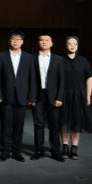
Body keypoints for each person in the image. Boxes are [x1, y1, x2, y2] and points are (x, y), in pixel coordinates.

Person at [0, 29, 36, 162]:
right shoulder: (1, 56)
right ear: (9, 41)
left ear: (22, 42)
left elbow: (32, 79)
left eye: (18, 39)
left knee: (19, 126)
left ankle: (17, 152)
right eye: (13, 39)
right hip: (5, 96)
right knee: (5, 126)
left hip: (22, 97)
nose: (15, 41)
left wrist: (31, 97)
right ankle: (5, 152)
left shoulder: (29, 57)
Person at [60, 36, 92, 160]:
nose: (72, 46)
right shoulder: (60, 60)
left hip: (79, 96)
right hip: (65, 95)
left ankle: (74, 149)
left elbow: (89, 78)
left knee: (77, 123)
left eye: (75, 44)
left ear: (77, 46)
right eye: (69, 44)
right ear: (65, 45)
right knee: (65, 123)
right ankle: (64, 147)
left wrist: (88, 95)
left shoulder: (83, 61)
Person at [32, 34, 66, 162]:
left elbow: (62, 80)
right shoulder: (32, 58)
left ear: (51, 44)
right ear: (38, 43)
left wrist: (59, 98)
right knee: (38, 125)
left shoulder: (58, 59)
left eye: (47, 40)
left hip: (54, 97)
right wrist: (31, 97)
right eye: (41, 40)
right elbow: (29, 79)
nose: (44, 42)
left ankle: (56, 151)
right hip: (38, 96)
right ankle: (38, 151)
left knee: (54, 125)